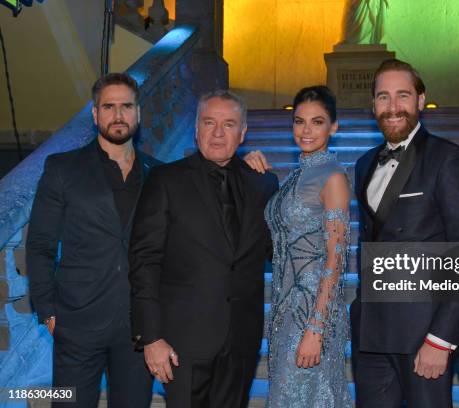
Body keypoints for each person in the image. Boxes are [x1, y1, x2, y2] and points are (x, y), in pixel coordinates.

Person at [129, 90, 279, 408]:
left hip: (241, 338)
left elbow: (276, 251)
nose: (217, 133)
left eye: (228, 124)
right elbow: (144, 261)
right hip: (183, 339)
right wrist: (151, 337)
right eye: (209, 122)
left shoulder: (263, 184)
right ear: (196, 129)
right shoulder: (165, 180)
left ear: (243, 133)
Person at [350, 59, 459, 407]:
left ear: (421, 100)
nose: (392, 107)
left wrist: (441, 339)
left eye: (403, 96)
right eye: (383, 97)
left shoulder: (448, 159)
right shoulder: (365, 164)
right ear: (373, 104)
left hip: (423, 333)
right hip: (372, 333)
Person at [27, 73, 156, 407]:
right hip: (75, 322)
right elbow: (40, 243)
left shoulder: (159, 173)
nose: (118, 115)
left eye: (126, 106)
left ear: (138, 113)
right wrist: (47, 311)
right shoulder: (62, 169)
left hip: (138, 328)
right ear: (95, 115)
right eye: (108, 106)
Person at [244, 85, 353, 407]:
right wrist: (247, 163)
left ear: (333, 127)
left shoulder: (333, 178)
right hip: (283, 311)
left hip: (311, 314)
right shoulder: (296, 175)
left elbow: (336, 258)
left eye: (317, 122)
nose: (305, 130)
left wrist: (316, 329)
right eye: (299, 121)